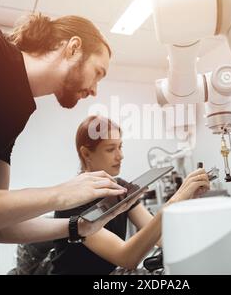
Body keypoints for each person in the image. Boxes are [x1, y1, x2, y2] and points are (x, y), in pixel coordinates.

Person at [0, 14, 137, 274]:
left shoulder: (12, 113)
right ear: (73, 48)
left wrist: (75, 226)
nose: (94, 91)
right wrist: (59, 195)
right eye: (97, 73)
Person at [51, 116, 210, 274]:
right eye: (110, 149)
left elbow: (162, 238)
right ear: (86, 154)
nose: (120, 155)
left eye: (120, 146)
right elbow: (127, 257)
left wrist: (187, 201)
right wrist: (175, 200)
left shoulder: (120, 188)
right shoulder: (70, 201)